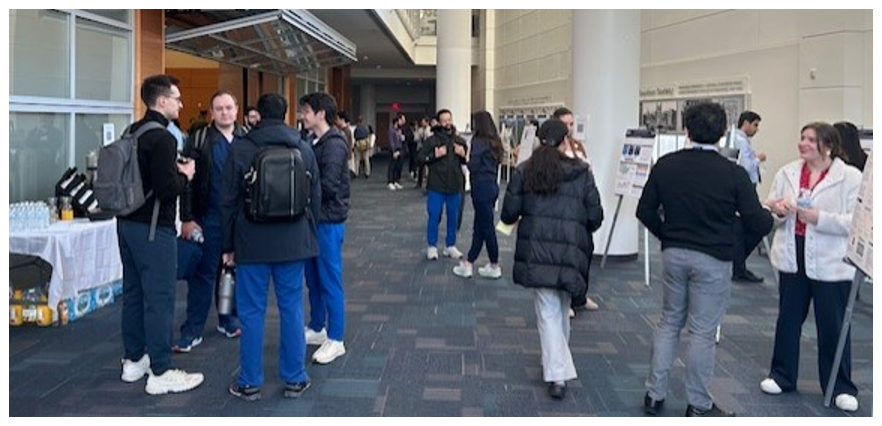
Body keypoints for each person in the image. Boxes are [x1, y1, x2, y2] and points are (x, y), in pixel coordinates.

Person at [637, 102, 772, 417]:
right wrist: (769, 213)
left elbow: (644, 211)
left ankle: (654, 395)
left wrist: (668, 235)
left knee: (669, 321)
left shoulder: (665, 165)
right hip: (713, 258)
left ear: (687, 130)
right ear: (724, 132)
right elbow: (757, 222)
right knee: (701, 331)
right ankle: (698, 403)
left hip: (673, 254)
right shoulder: (734, 174)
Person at [222, 93, 321, 401]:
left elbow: (226, 202)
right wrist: (308, 234)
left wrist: (228, 245)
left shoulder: (241, 148)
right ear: (287, 113)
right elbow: (314, 197)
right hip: (292, 241)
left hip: (252, 242)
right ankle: (295, 378)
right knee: (291, 308)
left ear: (257, 115)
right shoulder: (302, 147)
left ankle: (250, 382)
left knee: (252, 312)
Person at [759, 122, 862, 412]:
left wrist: (819, 218)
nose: (802, 143)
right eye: (801, 137)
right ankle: (781, 375)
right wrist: (777, 209)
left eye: (810, 140)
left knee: (834, 324)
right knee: (788, 319)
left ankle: (840, 386)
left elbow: (855, 222)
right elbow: (770, 206)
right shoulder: (788, 172)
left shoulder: (849, 177)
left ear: (827, 146)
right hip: (795, 256)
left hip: (831, 261)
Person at [500, 118, 603, 400]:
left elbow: (509, 213)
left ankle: (557, 373)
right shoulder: (582, 173)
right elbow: (596, 216)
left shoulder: (524, 171)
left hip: (537, 250)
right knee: (561, 308)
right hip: (571, 250)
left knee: (548, 312)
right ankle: (555, 364)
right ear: (565, 141)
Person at [117, 74, 203, 395]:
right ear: (162, 101)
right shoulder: (164, 138)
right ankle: (161, 371)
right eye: (177, 98)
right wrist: (186, 175)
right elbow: (168, 190)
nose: (181, 103)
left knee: (134, 294)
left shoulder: (132, 131)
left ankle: (134, 360)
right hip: (154, 228)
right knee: (160, 298)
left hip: (126, 225)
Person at [174, 90, 247, 353]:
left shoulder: (246, 139)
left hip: (238, 221)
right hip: (209, 218)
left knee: (230, 273)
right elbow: (188, 183)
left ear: (237, 110)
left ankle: (227, 319)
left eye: (229, 107)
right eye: (219, 108)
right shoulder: (200, 139)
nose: (224, 112)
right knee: (203, 276)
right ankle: (192, 329)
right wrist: (187, 218)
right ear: (212, 111)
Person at [299, 93, 351, 365]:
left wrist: (299, 192)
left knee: (330, 279)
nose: (302, 115)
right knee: (314, 278)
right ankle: (318, 327)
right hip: (313, 220)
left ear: (321, 114)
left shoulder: (334, 144)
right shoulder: (312, 140)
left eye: (306, 111)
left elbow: (329, 187)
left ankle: (337, 338)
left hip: (328, 220)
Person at [553, 107, 599, 314]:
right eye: (565, 124)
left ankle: (580, 296)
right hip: (562, 209)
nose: (569, 128)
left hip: (581, 207)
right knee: (564, 256)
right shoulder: (551, 150)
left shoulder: (578, 145)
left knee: (585, 251)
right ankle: (566, 299)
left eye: (571, 123)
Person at [452, 111, 504, 280]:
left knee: (486, 227)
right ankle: (469, 262)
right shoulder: (496, 142)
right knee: (480, 226)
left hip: (480, 187)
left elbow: (473, 166)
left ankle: (494, 264)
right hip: (492, 187)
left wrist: (464, 155)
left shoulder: (478, 141)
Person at [417, 109, 468, 260]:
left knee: (453, 217)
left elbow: (466, 160)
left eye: (449, 119)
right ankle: (432, 246)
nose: (447, 123)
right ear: (439, 123)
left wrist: (463, 154)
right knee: (434, 216)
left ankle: (450, 246)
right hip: (436, 186)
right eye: (444, 120)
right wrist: (434, 155)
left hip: (454, 185)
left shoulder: (459, 141)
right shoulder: (431, 141)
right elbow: (420, 159)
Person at [732, 110, 767, 283]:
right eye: (755, 125)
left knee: (741, 227)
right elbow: (746, 167)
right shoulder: (740, 141)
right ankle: (737, 265)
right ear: (745, 123)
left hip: (744, 187)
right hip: (745, 188)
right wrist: (759, 159)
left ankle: (738, 265)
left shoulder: (740, 140)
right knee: (756, 223)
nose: (757, 129)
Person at [387, 112, 406, 190]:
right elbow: (391, 141)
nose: (404, 122)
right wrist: (394, 151)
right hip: (394, 150)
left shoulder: (399, 130)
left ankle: (396, 181)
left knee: (398, 166)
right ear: (398, 120)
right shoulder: (391, 130)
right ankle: (390, 182)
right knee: (392, 166)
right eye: (402, 120)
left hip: (400, 149)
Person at [414, 117, 432, 189]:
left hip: (428, 150)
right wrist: (418, 135)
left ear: (427, 122)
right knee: (420, 167)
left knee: (429, 167)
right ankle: (419, 182)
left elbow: (430, 139)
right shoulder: (420, 130)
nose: (422, 123)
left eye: (423, 122)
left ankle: (428, 183)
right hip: (421, 149)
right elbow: (415, 138)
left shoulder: (430, 130)